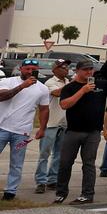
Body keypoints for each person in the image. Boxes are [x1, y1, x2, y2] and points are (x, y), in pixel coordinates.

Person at [51, 58, 105, 204]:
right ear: (77, 71)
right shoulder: (70, 87)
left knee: (89, 163)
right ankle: (61, 193)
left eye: (91, 69)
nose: (89, 72)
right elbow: (64, 104)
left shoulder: (99, 85)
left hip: (93, 132)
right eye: (85, 69)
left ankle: (87, 194)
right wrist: (83, 90)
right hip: (73, 131)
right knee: (65, 162)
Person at [0, 58, 52, 201]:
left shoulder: (42, 89)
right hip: (2, 128)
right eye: (27, 69)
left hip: (22, 133)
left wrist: (42, 128)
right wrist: (22, 86)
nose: (30, 72)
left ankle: (10, 192)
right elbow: (1, 96)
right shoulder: (8, 81)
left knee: (17, 163)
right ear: (20, 68)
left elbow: (44, 110)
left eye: (32, 70)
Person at [33, 57, 69, 194]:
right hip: (50, 123)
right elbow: (57, 93)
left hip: (64, 123)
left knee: (59, 154)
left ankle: (52, 179)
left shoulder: (68, 82)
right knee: (44, 154)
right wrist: (75, 85)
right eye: (62, 67)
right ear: (55, 70)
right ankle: (41, 181)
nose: (66, 69)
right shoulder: (50, 82)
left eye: (67, 67)